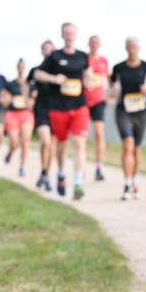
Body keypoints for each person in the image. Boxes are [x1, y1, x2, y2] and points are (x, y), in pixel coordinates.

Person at [34, 23, 92, 200]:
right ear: (62, 35)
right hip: (59, 108)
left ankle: (78, 183)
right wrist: (54, 78)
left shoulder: (83, 56)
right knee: (60, 146)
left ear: (76, 35)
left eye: (72, 33)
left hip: (79, 106)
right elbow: (38, 74)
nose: (69, 36)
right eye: (66, 33)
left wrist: (89, 78)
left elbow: (88, 73)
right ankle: (60, 173)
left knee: (80, 143)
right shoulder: (54, 56)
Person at [109, 37, 146, 200]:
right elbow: (111, 83)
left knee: (136, 149)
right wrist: (112, 92)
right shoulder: (118, 67)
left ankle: (134, 181)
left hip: (141, 111)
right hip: (123, 110)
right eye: (129, 47)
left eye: (135, 47)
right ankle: (126, 183)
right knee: (128, 144)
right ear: (126, 48)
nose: (132, 49)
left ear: (139, 48)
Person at [28, 40, 56, 191]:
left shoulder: (59, 71)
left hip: (56, 110)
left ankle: (45, 174)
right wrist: (29, 98)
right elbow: (29, 87)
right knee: (45, 141)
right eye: (45, 49)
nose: (48, 52)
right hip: (41, 109)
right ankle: (43, 171)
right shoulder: (35, 70)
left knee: (51, 145)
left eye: (50, 50)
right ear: (41, 51)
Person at [1, 59, 35, 177]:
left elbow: (35, 98)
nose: (21, 68)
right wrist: (7, 100)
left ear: (24, 68)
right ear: (17, 68)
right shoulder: (10, 84)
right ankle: (11, 151)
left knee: (25, 140)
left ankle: (22, 166)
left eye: (23, 66)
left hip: (26, 114)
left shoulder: (30, 84)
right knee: (14, 140)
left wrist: (31, 101)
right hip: (12, 114)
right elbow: (3, 98)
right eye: (19, 66)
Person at [86, 34, 110, 181]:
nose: (94, 45)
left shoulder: (104, 61)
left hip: (99, 100)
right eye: (92, 42)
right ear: (89, 44)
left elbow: (106, 79)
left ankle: (99, 166)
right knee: (81, 136)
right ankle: (81, 165)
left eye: (97, 43)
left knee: (99, 134)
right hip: (83, 99)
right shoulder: (84, 59)